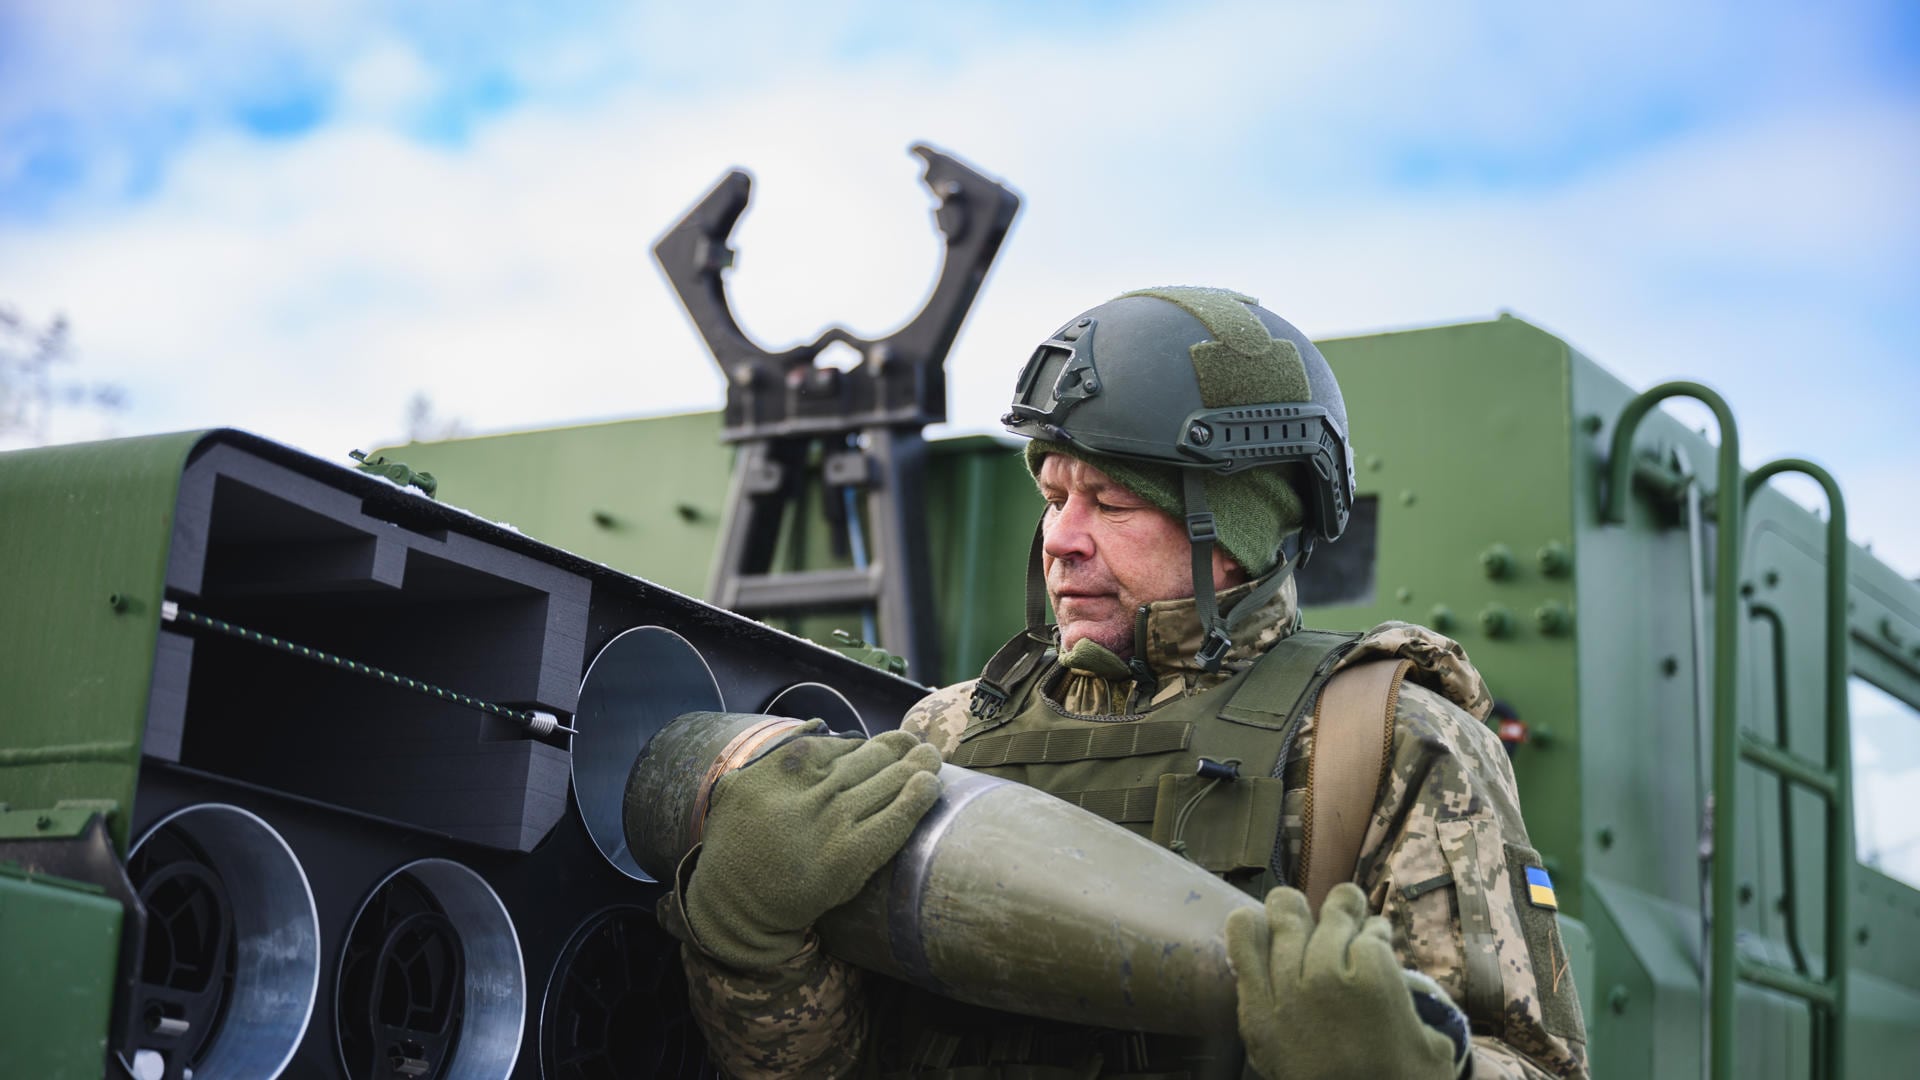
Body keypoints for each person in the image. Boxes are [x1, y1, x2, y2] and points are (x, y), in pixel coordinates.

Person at [642, 287, 1589, 1079]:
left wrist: (1420, 1067)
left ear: (1242, 529)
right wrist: (749, 947)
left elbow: (1537, 1061)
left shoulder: (1381, 745)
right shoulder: (946, 734)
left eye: (1113, 502)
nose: (1060, 538)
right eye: (1054, 497)